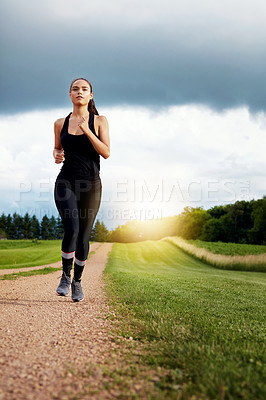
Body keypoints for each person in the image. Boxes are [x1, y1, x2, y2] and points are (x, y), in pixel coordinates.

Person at [53, 78, 110, 302]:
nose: (79, 92)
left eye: (84, 89)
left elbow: (106, 152)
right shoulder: (60, 123)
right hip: (66, 183)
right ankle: (65, 276)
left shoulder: (100, 121)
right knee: (72, 229)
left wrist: (87, 130)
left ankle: (77, 281)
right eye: (75, 89)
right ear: (70, 95)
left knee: (84, 235)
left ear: (91, 95)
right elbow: (57, 151)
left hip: (91, 185)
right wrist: (56, 155)